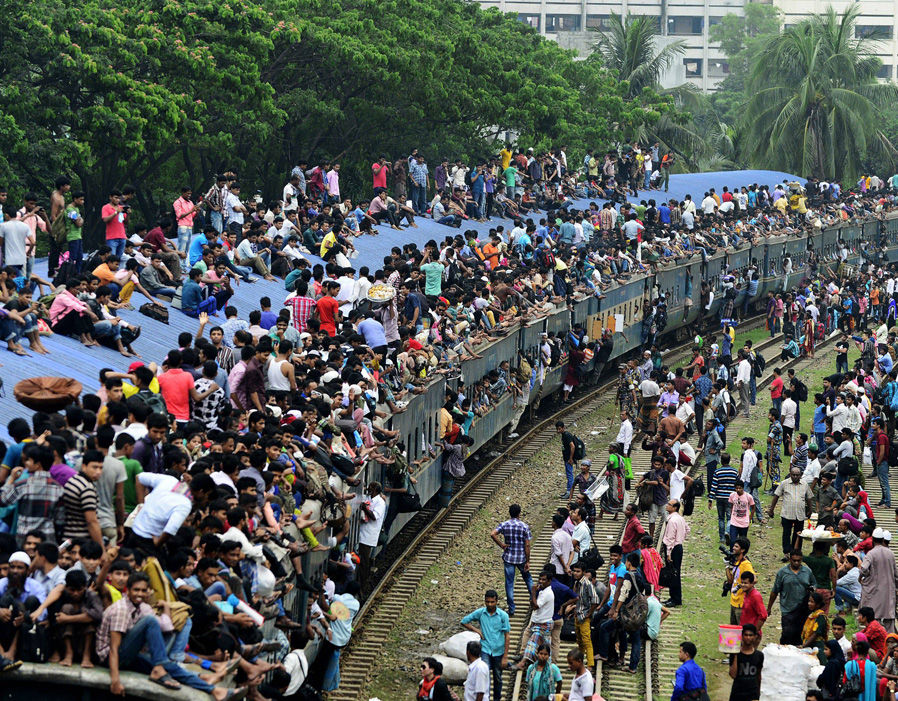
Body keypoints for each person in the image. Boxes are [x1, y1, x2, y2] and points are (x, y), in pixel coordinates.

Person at [461, 590, 510, 701]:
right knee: (484, 675)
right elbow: (464, 621)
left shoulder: (503, 616)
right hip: (485, 649)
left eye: (492, 602)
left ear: (497, 601)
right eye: (487, 602)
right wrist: (476, 630)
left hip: (499, 650)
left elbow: (507, 636)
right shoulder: (481, 613)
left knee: (498, 678)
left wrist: (505, 656)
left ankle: (497, 698)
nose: (490, 604)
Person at [491, 504, 533, 616]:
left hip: (509, 557)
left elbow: (493, 533)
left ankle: (512, 609)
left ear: (510, 513)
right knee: (528, 579)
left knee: (509, 583)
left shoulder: (504, 525)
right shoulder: (524, 526)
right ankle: (534, 600)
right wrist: (528, 561)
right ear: (519, 513)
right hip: (521, 558)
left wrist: (502, 545)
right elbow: (527, 546)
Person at [768, 549, 817, 646]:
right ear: (790, 559)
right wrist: (769, 608)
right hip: (788, 609)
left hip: (803, 609)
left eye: (799, 560)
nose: (796, 563)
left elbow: (814, 583)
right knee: (787, 634)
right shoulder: (782, 572)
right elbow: (775, 591)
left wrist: (813, 589)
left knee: (801, 635)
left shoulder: (807, 572)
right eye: (794, 560)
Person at [768, 467, 813, 559]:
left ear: (800, 475)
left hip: (799, 514)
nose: (795, 477)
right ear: (790, 474)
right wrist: (771, 509)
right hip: (787, 513)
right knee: (786, 533)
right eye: (793, 475)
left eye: (797, 475)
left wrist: (810, 509)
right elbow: (776, 496)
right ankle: (786, 553)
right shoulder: (784, 483)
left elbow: (809, 497)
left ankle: (796, 552)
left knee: (798, 534)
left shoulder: (804, 484)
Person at [662, 499, 688, 607]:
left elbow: (671, 538)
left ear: (675, 508)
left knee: (673, 574)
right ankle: (674, 597)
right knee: (674, 573)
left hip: (672, 549)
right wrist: (681, 538)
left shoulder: (672, 521)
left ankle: (675, 599)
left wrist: (668, 553)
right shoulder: (680, 518)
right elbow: (687, 529)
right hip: (678, 547)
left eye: (669, 505)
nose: (667, 506)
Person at [729, 623, 763, 701]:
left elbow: (759, 676)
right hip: (737, 693)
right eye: (746, 635)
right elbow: (733, 675)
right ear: (741, 636)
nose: (748, 637)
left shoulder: (759, 655)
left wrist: (758, 693)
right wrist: (735, 656)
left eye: (750, 635)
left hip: (752, 693)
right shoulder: (735, 654)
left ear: (755, 637)